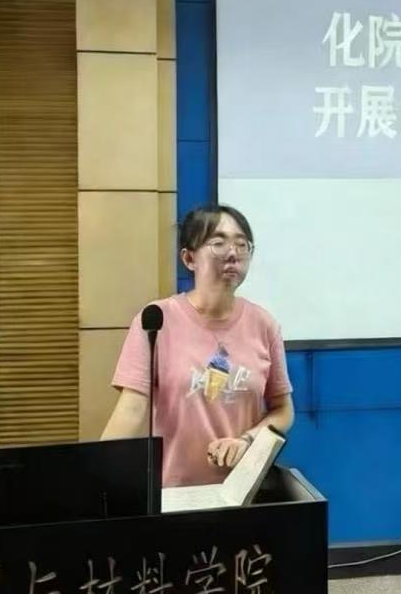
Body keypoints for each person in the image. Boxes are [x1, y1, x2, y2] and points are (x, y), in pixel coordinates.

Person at [101, 204, 294, 488]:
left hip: (241, 492)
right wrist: (97, 475)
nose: (233, 253)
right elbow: (131, 409)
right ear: (189, 258)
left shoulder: (264, 325)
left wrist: (247, 440)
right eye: (218, 243)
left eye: (242, 245)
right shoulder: (156, 320)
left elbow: (283, 409)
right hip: (172, 493)